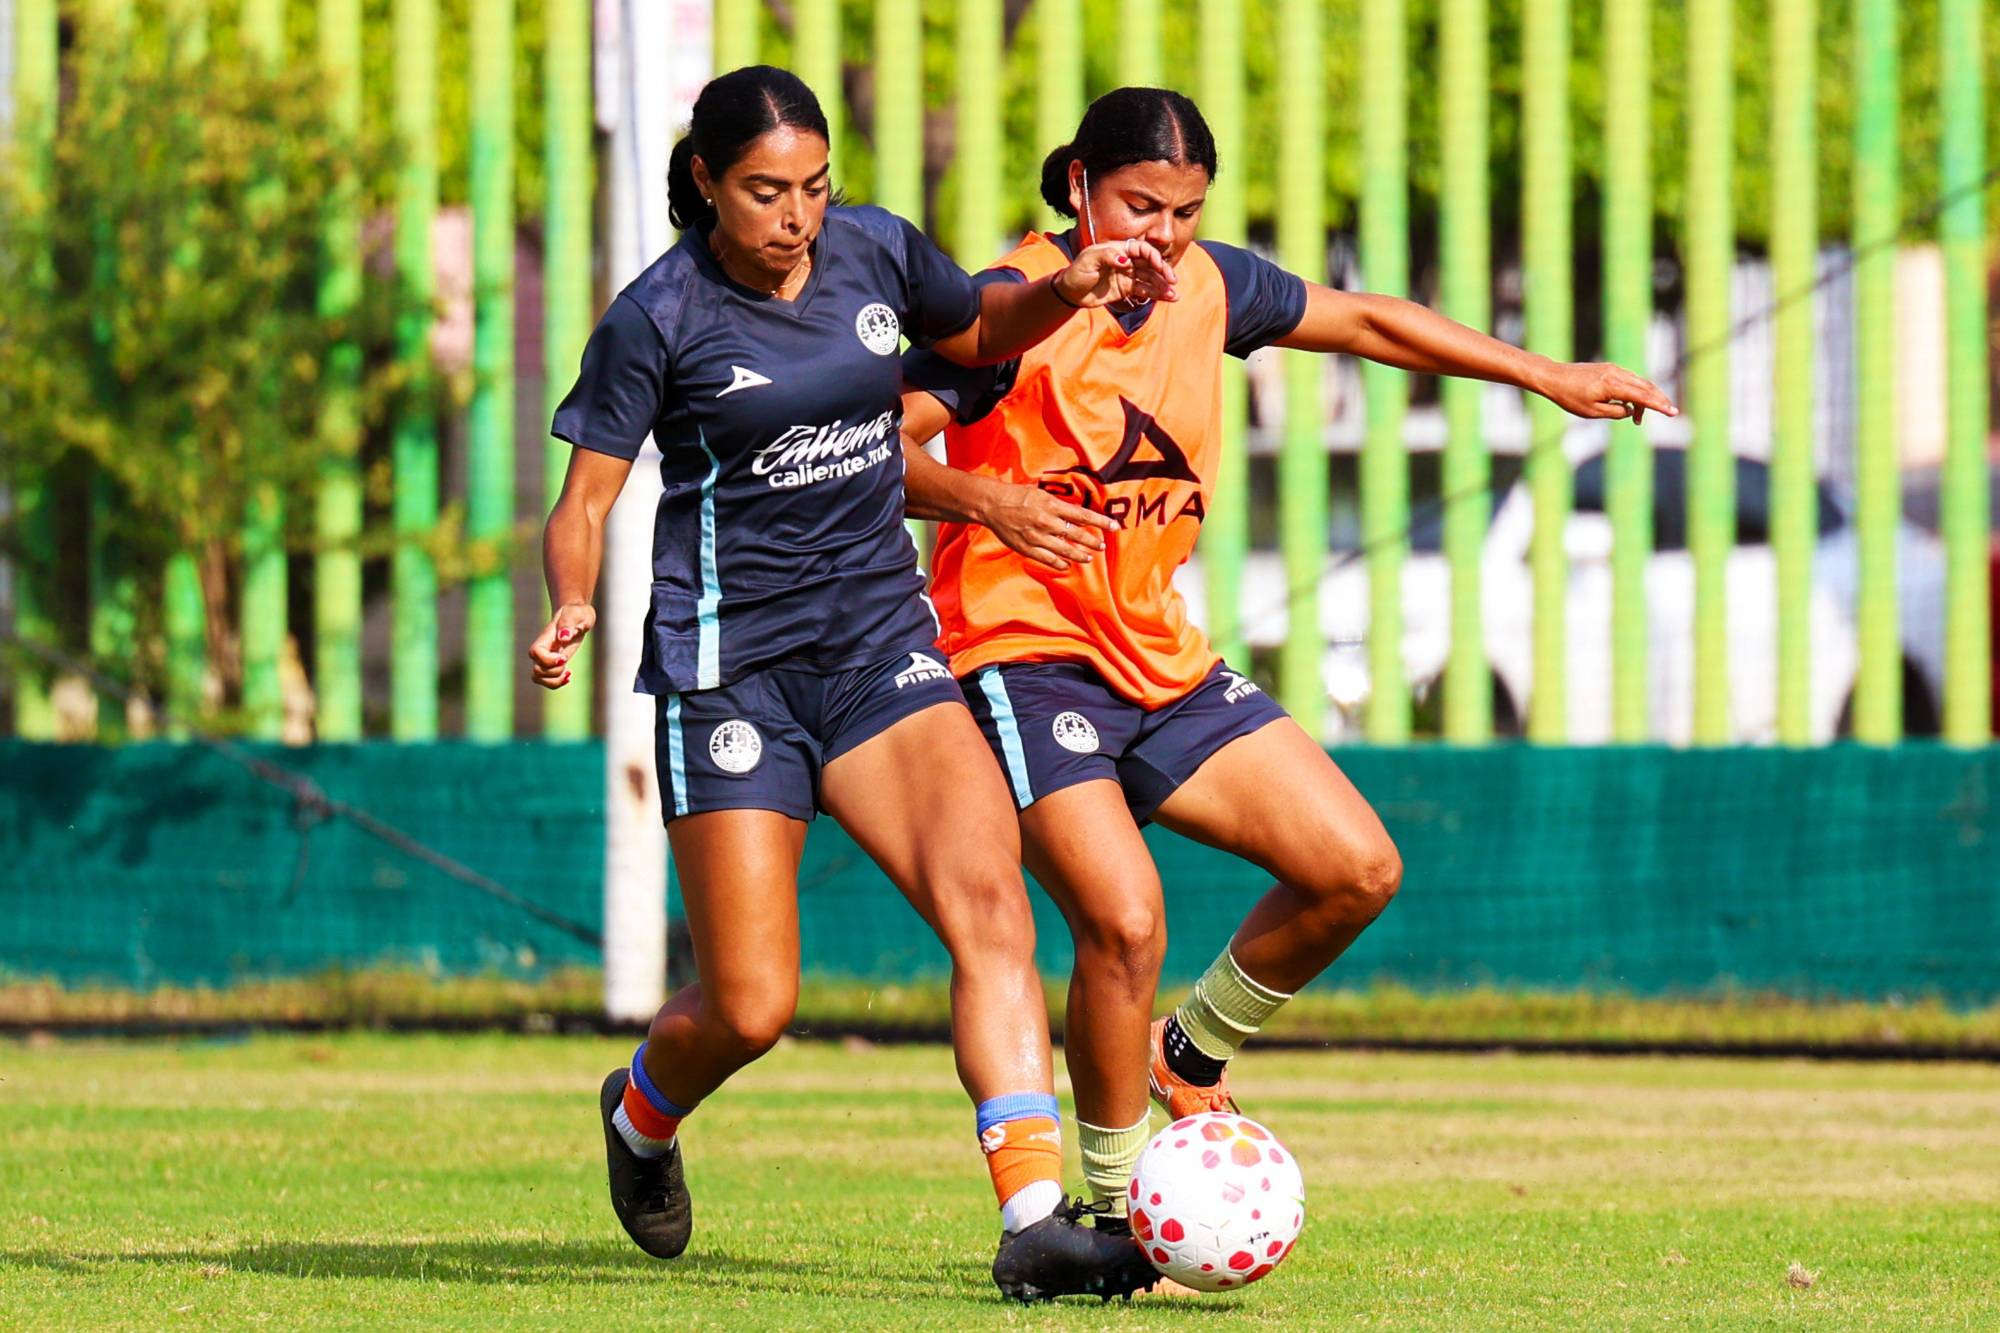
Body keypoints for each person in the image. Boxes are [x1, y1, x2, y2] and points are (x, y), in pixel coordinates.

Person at [898, 86, 1678, 1226]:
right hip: (1021, 652)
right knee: (1124, 920)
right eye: (1139, 206)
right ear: (1078, 188)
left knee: (1355, 867)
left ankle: (1187, 1055)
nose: (1163, 234)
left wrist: (1544, 374)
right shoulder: (1014, 304)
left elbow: (1365, 323)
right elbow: (869, 444)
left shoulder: (1209, 286)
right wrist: (988, 501)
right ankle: (1109, 1218)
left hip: (1156, 655)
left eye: (1186, 210)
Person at [530, 66, 1180, 1302]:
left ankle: (1032, 1218)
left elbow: (977, 329)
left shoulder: (875, 250)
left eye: (814, 186)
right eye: (765, 192)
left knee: (991, 907)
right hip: (732, 678)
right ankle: (640, 1115)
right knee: (751, 1004)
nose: (797, 216)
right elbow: (585, 503)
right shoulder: (656, 315)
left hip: (880, 649)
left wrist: (1066, 288)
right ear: (705, 183)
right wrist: (571, 600)